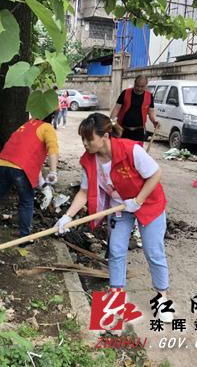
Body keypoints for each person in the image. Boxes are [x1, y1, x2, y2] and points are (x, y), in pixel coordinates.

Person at [54, 113, 173, 323]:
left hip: (149, 203)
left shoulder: (130, 150)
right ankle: (117, 294)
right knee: (116, 249)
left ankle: (162, 297)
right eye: (82, 138)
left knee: (153, 251)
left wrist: (138, 200)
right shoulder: (88, 161)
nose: (85, 143)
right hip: (118, 206)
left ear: (105, 136)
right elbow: (84, 192)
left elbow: (155, 174)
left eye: (88, 139)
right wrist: (67, 216)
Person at [0, 112, 59, 246]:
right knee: (27, 201)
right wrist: (53, 171)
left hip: (2, 162)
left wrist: (40, 180)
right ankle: (24, 238)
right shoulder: (47, 128)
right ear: (52, 116)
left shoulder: (26, 125)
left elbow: (26, 152)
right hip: (20, 168)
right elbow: (53, 150)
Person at [110, 75, 159, 142]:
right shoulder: (125, 93)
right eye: (137, 86)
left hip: (139, 132)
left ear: (146, 85)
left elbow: (151, 112)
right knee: (121, 151)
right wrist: (112, 123)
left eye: (142, 87)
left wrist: (154, 121)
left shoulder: (149, 96)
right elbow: (116, 108)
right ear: (134, 83)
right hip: (122, 130)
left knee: (135, 152)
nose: (139, 89)